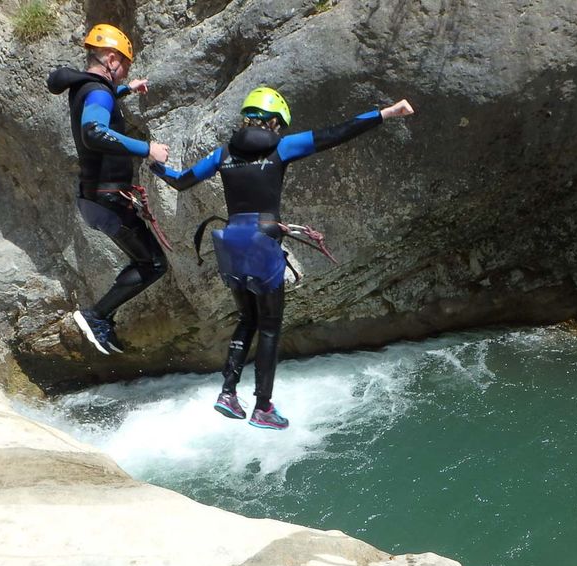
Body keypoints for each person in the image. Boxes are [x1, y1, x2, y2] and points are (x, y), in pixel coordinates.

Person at [151, 87, 414, 430]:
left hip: (231, 240)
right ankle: (263, 407)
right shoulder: (282, 146)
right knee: (270, 327)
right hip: (262, 240)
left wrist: (155, 165)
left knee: (247, 318)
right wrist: (385, 114)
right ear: (275, 121)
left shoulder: (222, 154)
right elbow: (335, 133)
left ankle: (228, 393)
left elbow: (180, 181)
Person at [47, 24, 170, 355]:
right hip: (108, 199)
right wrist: (147, 149)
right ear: (112, 59)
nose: (124, 72)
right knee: (154, 265)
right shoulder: (99, 92)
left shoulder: (87, 88)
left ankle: (102, 317)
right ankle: (96, 316)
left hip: (96, 197)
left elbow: (100, 103)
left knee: (144, 261)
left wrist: (127, 88)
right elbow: (94, 131)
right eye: (125, 66)